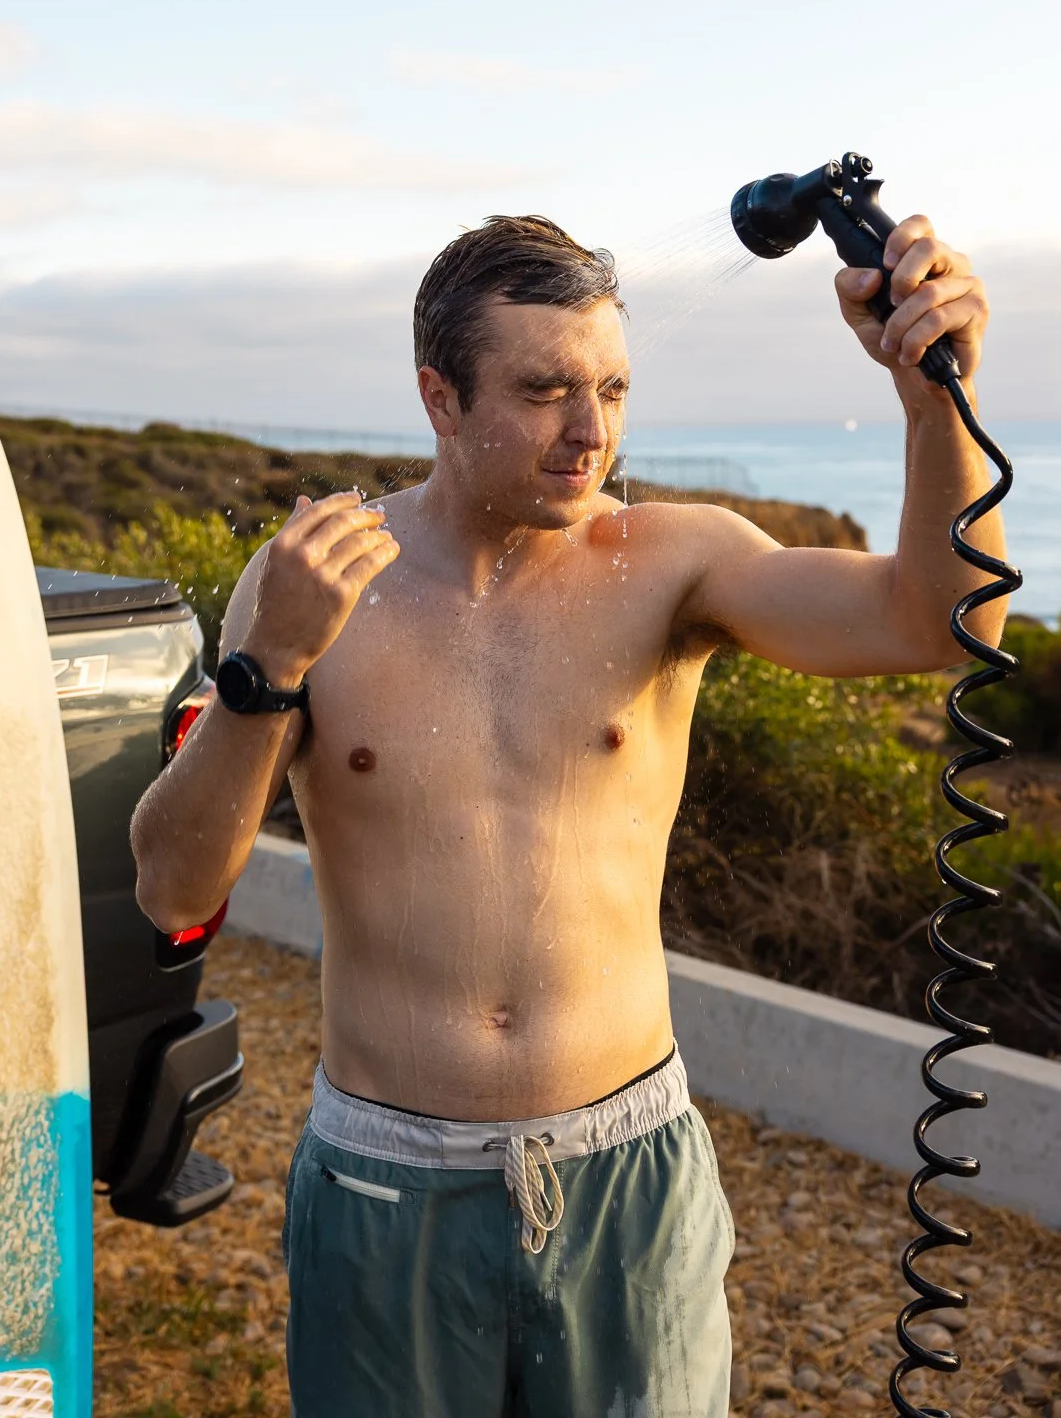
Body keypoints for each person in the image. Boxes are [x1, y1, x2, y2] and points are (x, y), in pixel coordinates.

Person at [131, 211, 1001, 1417]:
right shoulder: (313, 588)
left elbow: (937, 622)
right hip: (386, 1183)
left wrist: (927, 400)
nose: (589, 432)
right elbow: (173, 887)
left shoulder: (673, 561)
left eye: (611, 387)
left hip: (624, 1172)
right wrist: (265, 664)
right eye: (542, 391)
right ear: (440, 397)